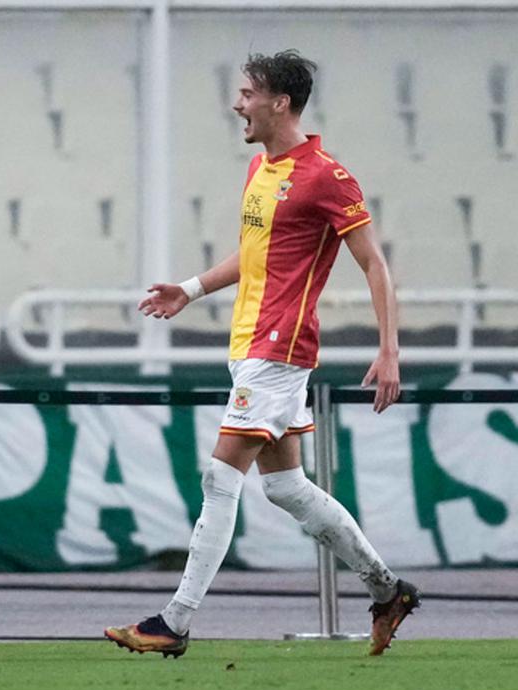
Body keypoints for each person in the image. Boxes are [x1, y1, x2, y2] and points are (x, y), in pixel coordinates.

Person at [107, 50, 419, 658]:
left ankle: (175, 622)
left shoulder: (326, 176)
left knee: (220, 478)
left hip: (280, 347)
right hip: (250, 345)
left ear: (280, 102)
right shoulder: (260, 169)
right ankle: (389, 591)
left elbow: (374, 263)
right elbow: (252, 255)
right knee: (287, 487)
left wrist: (389, 351)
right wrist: (191, 290)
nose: (237, 103)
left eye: (247, 93)